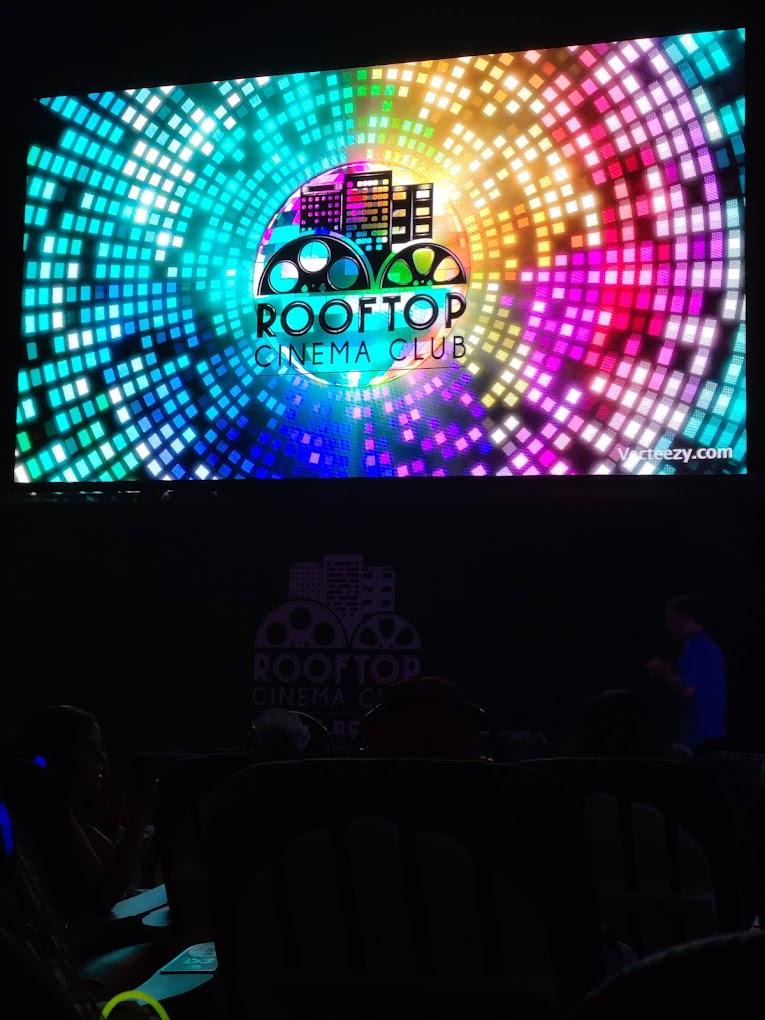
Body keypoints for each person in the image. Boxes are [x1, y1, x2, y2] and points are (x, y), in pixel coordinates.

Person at [647, 595, 727, 750]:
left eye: (672, 620)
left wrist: (665, 672)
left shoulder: (696, 647)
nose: (668, 626)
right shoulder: (706, 645)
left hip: (696, 737)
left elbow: (688, 690)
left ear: (686, 618)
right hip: (706, 734)